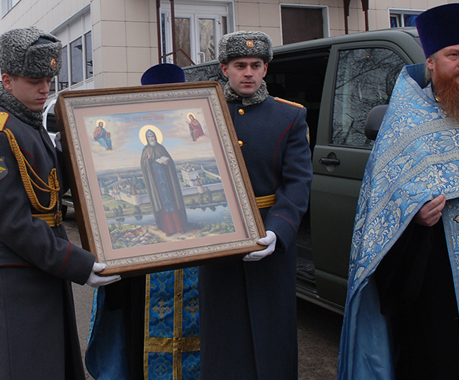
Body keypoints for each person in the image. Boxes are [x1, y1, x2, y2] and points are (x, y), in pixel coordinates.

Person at [337, 4, 459, 379]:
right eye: (453, 55)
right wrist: (415, 219)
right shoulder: (405, 131)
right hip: (439, 291)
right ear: (431, 64)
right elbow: (382, 222)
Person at [0, 26, 120, 380]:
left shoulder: (26, 124)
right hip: (14, 280)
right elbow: (14, 224)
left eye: (49, 78)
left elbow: (53, 187)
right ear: (6, 80)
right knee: (23, 368)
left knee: (50, 365)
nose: (45, 88)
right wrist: (79, 263)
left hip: (38, 268)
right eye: (34, 80)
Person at [198, 31, 312, 379]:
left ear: (265, 69)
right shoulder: (204, 115)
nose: (248, 72)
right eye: (239, 65)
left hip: (269, 242)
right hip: (219, 238)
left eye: (256, 65)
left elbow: (297, 182)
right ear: (224, 69)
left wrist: (278, 231)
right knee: (223, 338)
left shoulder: (289, 117)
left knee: (271, 335)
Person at [85, 63, 201, 380]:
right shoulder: (147, 149)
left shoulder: (170, 141)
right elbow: (143, 168)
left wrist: (166, 161)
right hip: (142, 268)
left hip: (195, 254)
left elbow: (174, 165)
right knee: (136, 324)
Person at [141, 128, 188, 235]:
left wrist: (167, 163)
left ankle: (180, 227)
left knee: (173, 202)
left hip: (168, 182)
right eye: (149, 137)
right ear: (146, 139)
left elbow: (170, 162)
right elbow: (144, 165)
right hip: (157, 184)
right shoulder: (146, 150)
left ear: (155, 137)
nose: (151, 138)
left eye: (152, 136)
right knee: (163, 206)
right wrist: (148, 160)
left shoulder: (161, 148)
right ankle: (168, 229)